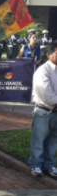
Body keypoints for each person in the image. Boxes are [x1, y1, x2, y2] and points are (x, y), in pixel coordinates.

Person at [28, 42, 57, 178]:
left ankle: (49, 165)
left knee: (53, 141)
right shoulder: (42, 71)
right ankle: (36, 165)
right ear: (48, 54)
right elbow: (47, 94)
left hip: (55, 112)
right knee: (38, 140)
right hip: (43, 111)